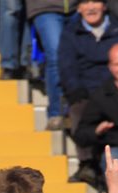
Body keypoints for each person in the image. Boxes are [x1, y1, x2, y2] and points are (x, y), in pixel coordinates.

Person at [57, 0, 118, 183]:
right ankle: (87, 163)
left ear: (104, 6)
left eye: (95, 1)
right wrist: (76, 90)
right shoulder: (70, 33)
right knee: (78, 107)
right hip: (86, 90)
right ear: (79, 8)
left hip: (117, 88)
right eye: (85, 3)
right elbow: (67, 67)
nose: (91, 7)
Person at [73, 41, 118, 183]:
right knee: (113, 157)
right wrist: (96, 131)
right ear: (110, 67)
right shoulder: (101, 96)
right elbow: (81, 135)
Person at [27, 0, 74, 130]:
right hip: (45, 7)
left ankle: (74, 110)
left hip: (77, 7)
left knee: (78, 57)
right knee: (55, 56)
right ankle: (56, 113)